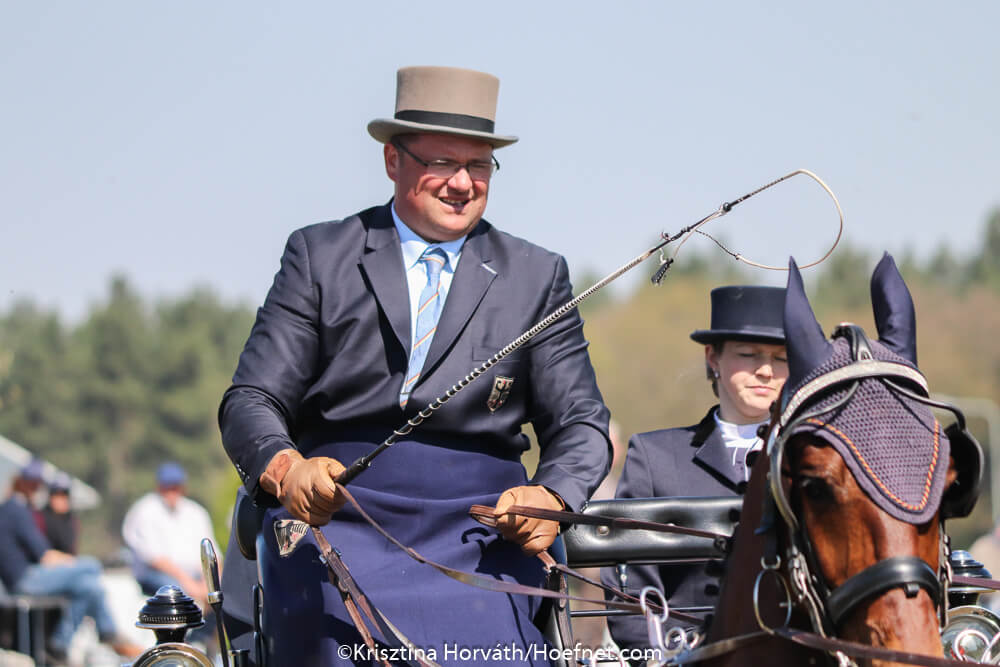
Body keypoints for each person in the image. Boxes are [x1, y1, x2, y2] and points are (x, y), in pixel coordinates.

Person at [218, 65, 612, 665]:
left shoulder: (537, 276)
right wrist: (285, 468)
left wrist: (552, 495)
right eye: (441, 163)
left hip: (481, 532)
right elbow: (250, 399)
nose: (461, 183)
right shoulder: (320, 256)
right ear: (391, 159)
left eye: (478, 166)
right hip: (335, 519)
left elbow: (581, 421)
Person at [602, 285, 788, 657]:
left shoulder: (818, 459)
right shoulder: (655, 457)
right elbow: (631, 588)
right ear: (713, 358)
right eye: (748, 354)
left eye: (781, 358)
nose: (765, 370)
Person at [0, 459, 142, 661]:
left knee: (89, 586)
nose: (37, 487)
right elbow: (46, 556)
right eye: (33, 482)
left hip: (23, 576)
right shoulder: (17, 510)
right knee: (91, 567)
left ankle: (59, 645)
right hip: (24, 579)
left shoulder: (13, 508)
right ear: (22, 482)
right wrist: (73, 563)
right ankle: (108, 632)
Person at [121, 462, 217, 607]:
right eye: (168, 487)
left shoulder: (196, 512)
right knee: (174, 591)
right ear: (159, 487)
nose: (172, 492)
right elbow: (155, 559)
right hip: (155, 576)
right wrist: (188, 583)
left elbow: (212, 553)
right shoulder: (145, 510)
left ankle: (205, 630)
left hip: (195, 577)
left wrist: (209, 582)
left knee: (223, 591)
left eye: (175, 487)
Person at [38, 472, 79, 555]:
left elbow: (70, 549)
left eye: (64, 495)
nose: (61, 499)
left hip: (65, 563)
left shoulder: (72, 521)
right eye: (57, 495)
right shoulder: (40, 518)